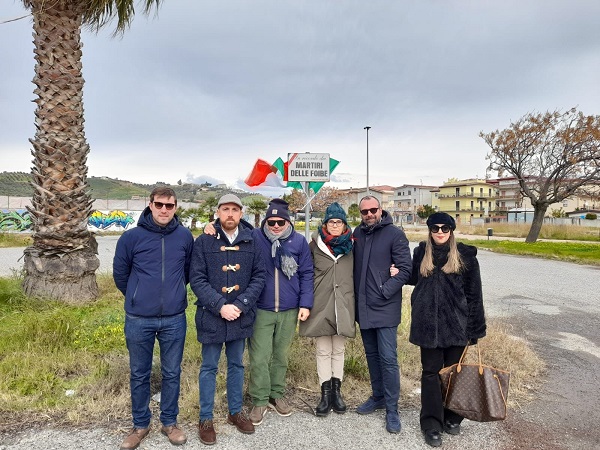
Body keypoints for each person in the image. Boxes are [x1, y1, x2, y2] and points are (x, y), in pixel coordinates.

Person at [203, 198, 313, 426]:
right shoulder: (254, 237)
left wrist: (305, 304)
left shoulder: (299, 241)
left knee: (281, 356)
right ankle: (260, 399)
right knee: (260, 357)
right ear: (265, 221)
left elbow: (307, 274)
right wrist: (213, 224)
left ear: (287, 220)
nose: (275, 225)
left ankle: (276, 394)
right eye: (271, 221)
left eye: (280, 221)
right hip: (261, 308)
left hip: (289, 308)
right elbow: (230, 224)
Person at [113, 187, 194, 450]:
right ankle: (140, 425)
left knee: (172, 372)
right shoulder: (131, 237)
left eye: (169, 206)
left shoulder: (184, 236)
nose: (163, 210)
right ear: (150, 205)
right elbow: (120, 274)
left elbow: (187, 272)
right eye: (159, 204)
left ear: (175, 208)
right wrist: (138, 296)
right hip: (139, 318)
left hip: (174, 318)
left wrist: (172, 294)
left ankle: (169, 423)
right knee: (139, 373)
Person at [189, 194, 266, 445]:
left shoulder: (252, 241)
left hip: (240, 316)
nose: (230, 214)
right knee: (209, 367)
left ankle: (235, 412)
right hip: (212, 315)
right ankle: (206, 418)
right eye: (225, 209)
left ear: (241, 213)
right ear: (218, 212)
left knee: (237, 365)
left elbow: (259, 277)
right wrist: (220, 305)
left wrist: (241, 305)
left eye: (235, 209)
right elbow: (197, 279)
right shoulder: (204, 241)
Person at [407, 212, 486, 448]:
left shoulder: (465, 256)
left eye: (444, 228)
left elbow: (475, 295)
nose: (440, 232)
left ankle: (452, 417)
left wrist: (475, 330)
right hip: (427, 326)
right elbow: (413, 278)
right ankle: (431, 424)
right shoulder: (421, 252)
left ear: (451, 230)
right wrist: (396, 271)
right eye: (435, 228)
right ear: (429, 230)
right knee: (431, 375)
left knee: (454, 374)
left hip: (457, 327)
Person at [352, 195, 412, 434]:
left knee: (388, 358)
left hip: (385, 306)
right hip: (363, 307)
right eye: (364, 211)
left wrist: (384, 290)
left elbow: (405, 269)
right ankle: (377, 396)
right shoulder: (357, 233)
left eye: (373, 210)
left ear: (380, 210)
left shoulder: (395, 234)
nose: (369, 214)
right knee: (372, 355)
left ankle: (392, 409)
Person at [298, 202, 355, 417]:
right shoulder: (314, 246)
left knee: (338, 349)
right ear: (325, 223)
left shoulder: (352, 246)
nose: (334, 225)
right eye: (331, 221)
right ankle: (324, 394)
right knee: (323, 350)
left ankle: (336, 393)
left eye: (338, 221)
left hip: (343, 304)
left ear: (344, 224)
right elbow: (304, 275)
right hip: (320, 305)